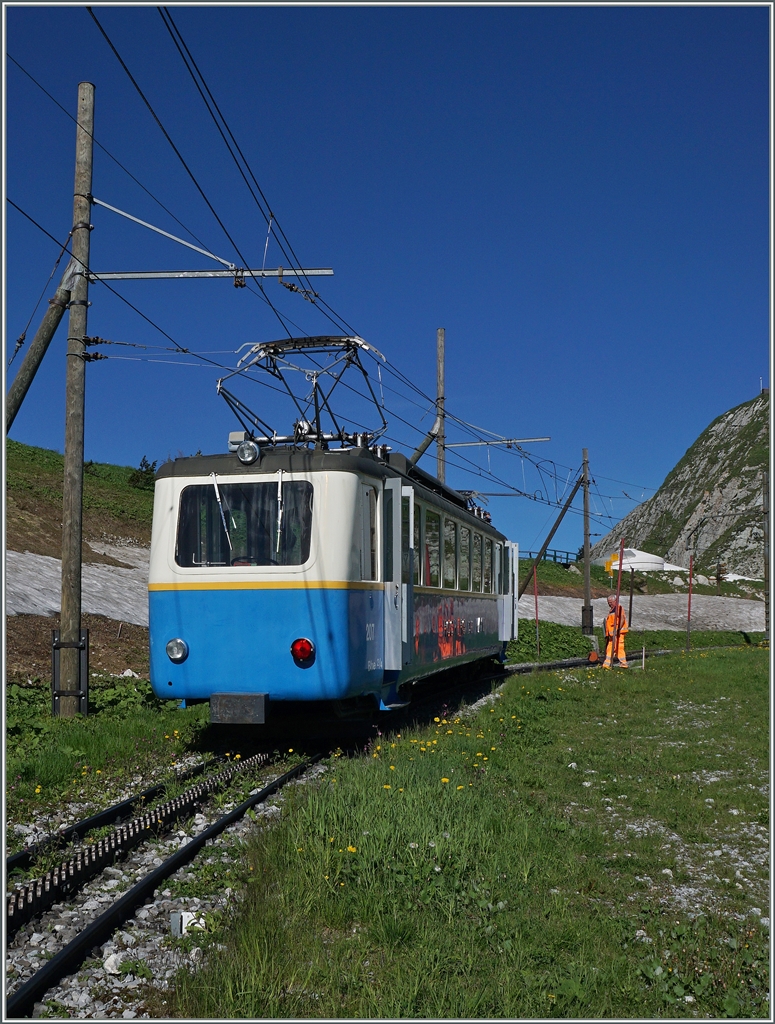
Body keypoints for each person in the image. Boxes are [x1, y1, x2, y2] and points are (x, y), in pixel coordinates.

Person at [603, 594, 628, 668]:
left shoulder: (619, 608)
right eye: (608, 602)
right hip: (612, 635)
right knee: (610, 649)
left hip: (618, 634)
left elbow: (622, 618)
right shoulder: (611, 610)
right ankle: (606, 665)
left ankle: (623, 664)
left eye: (611, 602)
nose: (609, 604)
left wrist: (618, 629)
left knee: (619, 648)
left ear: (615, 601)